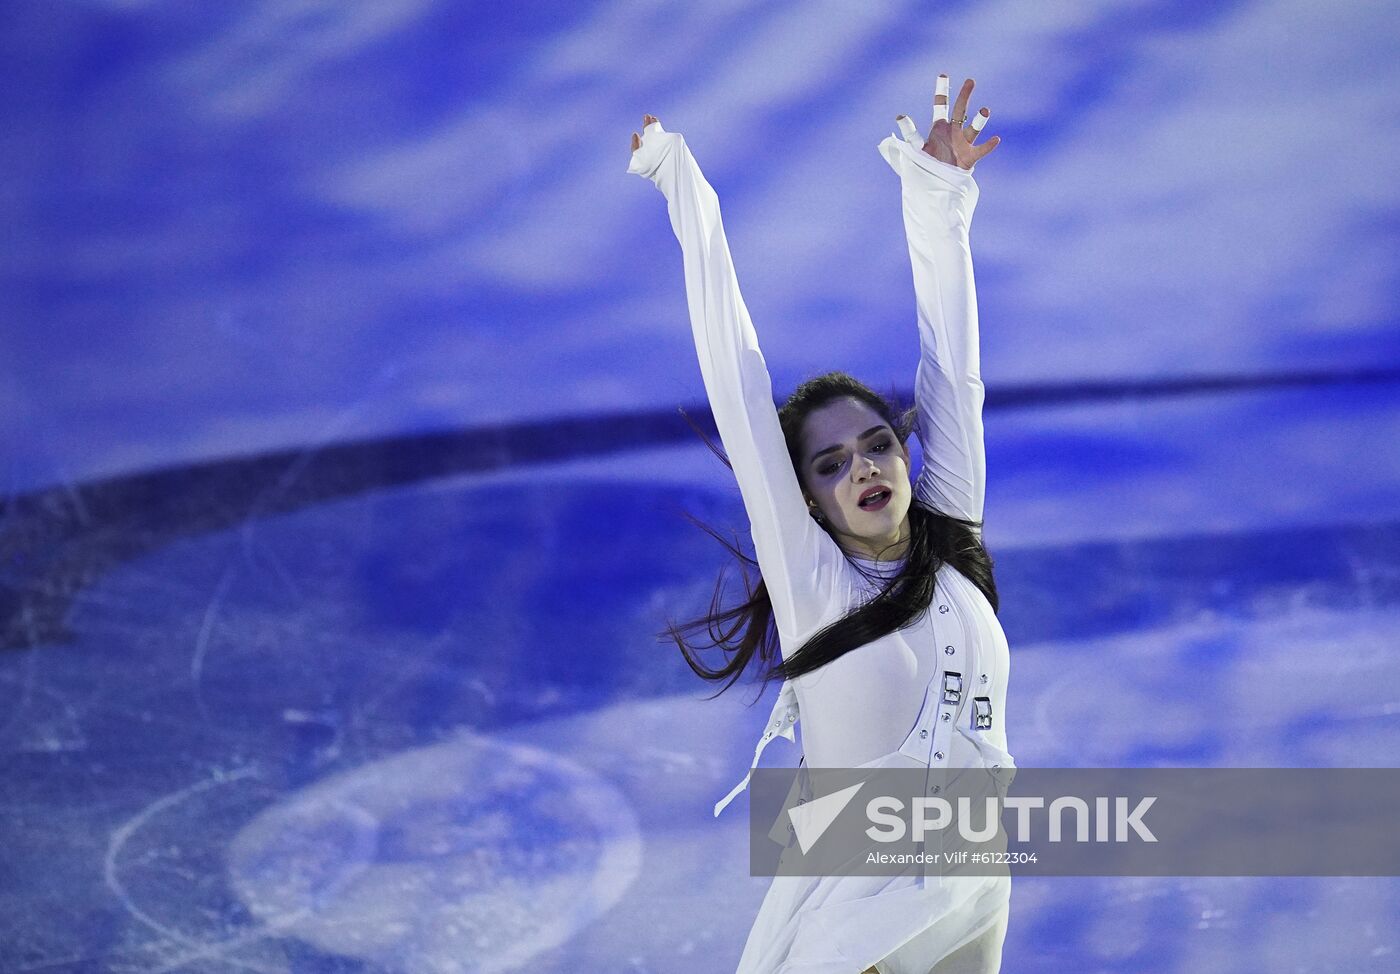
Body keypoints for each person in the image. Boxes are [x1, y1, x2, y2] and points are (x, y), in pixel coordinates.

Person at [628, 71, 1011, 974]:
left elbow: (951, 372)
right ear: (802, 500)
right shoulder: (818, 584)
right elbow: (736, 375)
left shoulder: (953, 539)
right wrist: (684, 187)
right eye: (830, 464)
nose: (864, 467)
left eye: (877, 445)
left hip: (972, 894)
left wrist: (937, 199)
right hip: (855, 927)